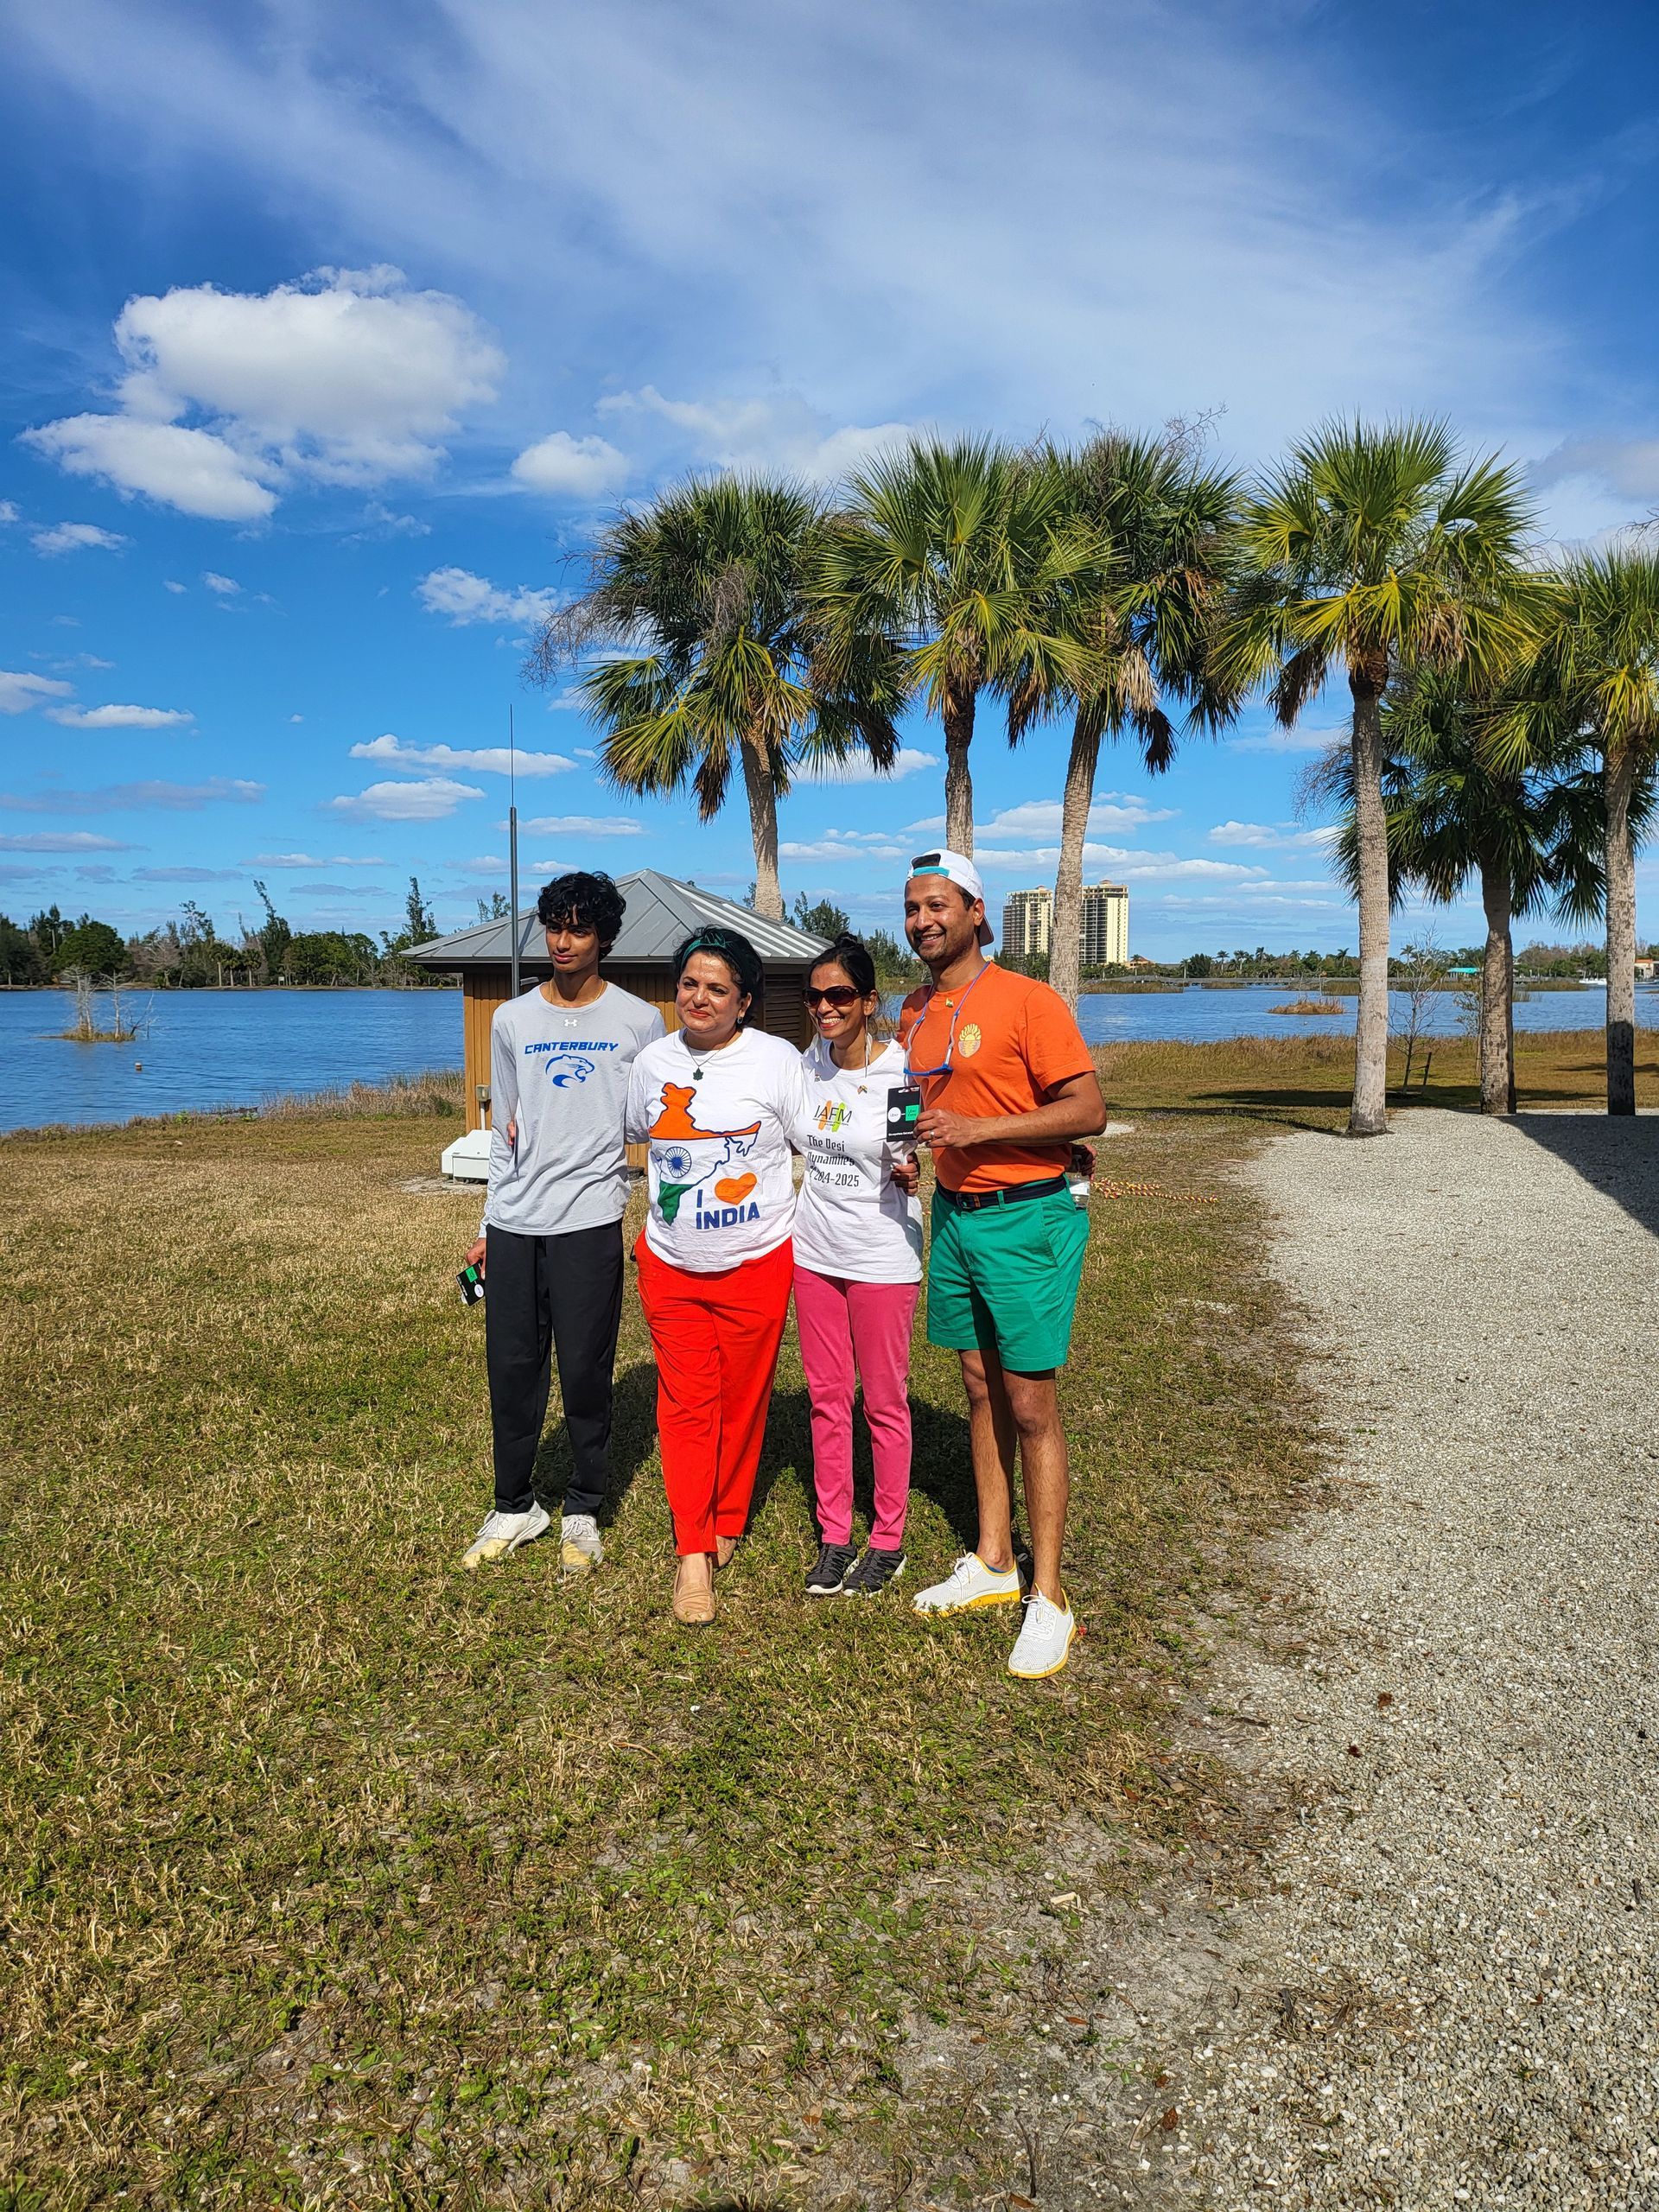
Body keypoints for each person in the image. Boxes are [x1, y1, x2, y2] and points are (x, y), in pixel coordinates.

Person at [899, 849, 1106, 1679]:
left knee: (1029, 1406)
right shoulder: (914, 1007)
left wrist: (977, 1134)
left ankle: (1048, 1597)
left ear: (976, 913)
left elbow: (1086, 1109)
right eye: (912, 907)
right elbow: (924, 1109)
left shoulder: (1028, 999)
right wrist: (912, 1151)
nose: (923, 921)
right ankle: (993, 1560)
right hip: (952, 1217)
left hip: (1026, 1218)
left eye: (938, 905)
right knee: (978, 1387)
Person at [460, 872, 664, 1572]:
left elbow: (654, 1124)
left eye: (578, 928)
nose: (563, 941)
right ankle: (515, 1505)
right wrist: (489, 1223)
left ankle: (582, 1505)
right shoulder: (512, 1020)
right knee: (512, 1369)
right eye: (554, 926)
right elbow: (504, 1130)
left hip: (590, 1219)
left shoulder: (639, 1020)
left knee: (584, 1368)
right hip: (518, 1220)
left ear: (604, 937)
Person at [626, 925, 813, 1625]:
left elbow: (812, 1142)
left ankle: (729, 1514)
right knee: (685, 1402)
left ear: (744, 1002)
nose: (698, 999)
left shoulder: (776, 1061)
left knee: (743, 1399)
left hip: (759, 1261)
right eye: (689, 984)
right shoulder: (650, 1064)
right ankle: (694, 1550)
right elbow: (636, 1135)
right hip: (671, 1264)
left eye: (717, 989)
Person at [793, 934, 925, 1598]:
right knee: (825, 1397)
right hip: (813, 1253)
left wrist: (910, 1169)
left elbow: (911, 1155)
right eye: (815, 995)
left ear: (870, 1002)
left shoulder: (899, 1071)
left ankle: (888, 1539)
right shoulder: (807, 1065)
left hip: (880, 1256)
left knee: (884, 1401)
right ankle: (834, 1533)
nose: (824, 1007)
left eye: (839, 995)